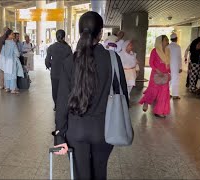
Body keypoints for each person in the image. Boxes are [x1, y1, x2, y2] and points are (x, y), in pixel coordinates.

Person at [52, 11, 129, 179]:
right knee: (99, 172)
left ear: (80, 32)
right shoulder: (112, 59)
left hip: (75, 130)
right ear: (101, 33)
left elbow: (62, 102)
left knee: (80, 174)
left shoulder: (70, 61)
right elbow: (123, 95)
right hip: (104, 129)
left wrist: (59, 134)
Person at [139, 35, 171, 118]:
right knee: (152, 91)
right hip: (156, 75)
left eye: (167, 40)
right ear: (160, 41)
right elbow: (151, 63)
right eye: (165, 40)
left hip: (165, 75)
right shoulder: (154, 51)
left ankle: (160, 111)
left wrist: (169, 72)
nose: (167, 41)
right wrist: (157, 70)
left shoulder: (168, 51)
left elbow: (168, 63)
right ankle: (146, 102)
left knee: (164, 94)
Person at [45, 29, 72, 111]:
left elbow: (47, 61)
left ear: (56, 37)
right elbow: (71, 61)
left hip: (54, 73)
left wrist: (49, 66)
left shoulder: (51, 47)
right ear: (64, 37)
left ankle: (56, 105)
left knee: (55, 90)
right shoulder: (67, 47)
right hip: (65, 73)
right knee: (64, 90)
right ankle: (64, 105)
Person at [0, 29, 24, 94]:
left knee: (7, 74)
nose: (13, 35)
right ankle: (13, 89)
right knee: (13, 75)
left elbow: (2, 53)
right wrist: (18, 55)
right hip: (12, 61)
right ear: (8, 35)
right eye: (12, 34)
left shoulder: (4, 42)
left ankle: (7, 88)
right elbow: (17, 53)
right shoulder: (12, 43)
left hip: (6, 61)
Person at [168, 33, 182, 99]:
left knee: (168, 80)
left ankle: (167, 93)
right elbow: (179, 58)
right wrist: (180, 67)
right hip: (176, 66)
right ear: (176, 39)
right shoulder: (178, 47)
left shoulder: (167, 46)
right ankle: (175, 95)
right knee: (175, 80)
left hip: (168, 66)